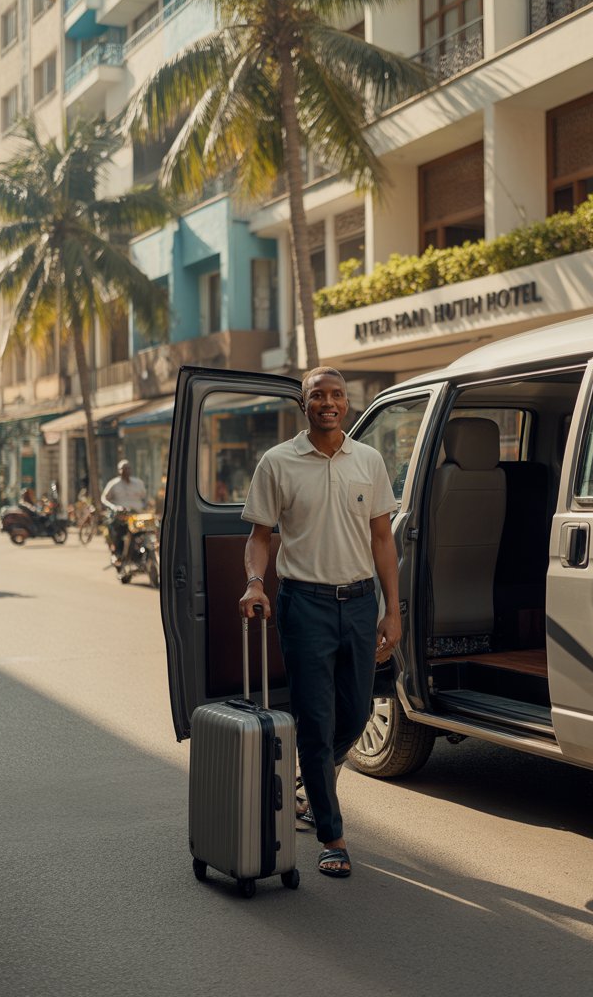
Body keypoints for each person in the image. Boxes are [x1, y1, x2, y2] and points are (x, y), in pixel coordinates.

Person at [239, 367, 400, 880]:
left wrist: (392, 610)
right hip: (303, 604)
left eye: (336, 395)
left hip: (358, 602)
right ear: (303, 404)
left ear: (347, 403)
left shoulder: (368, 461)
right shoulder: (277, 462)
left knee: (354, 716)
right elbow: (260, 535)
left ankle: (313, 779)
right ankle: (333, 836)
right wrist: (255, 581)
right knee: (315, 718)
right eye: (318, 396)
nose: (328, 403)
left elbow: (382, 540)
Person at [101, 459, 148, 563]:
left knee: (147, 533)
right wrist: (114, 507)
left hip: (137, 515)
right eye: (124, 469)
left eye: (128, 468)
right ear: (119, 471)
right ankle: (117, 553)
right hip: (121, 516)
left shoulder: (138, 483)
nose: (126, 471)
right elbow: (104, 498)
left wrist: (146, 506)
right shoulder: (114, 484)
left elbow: (145, 498)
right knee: (116, 532)